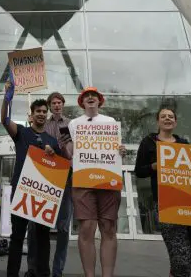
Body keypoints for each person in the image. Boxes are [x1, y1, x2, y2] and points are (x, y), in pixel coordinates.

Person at [134, 107, 191, 277]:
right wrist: (154, 166)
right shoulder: (148, 142)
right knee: (181, 261)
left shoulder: (184, 144)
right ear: (158, 122)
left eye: (171, 116)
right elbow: (139, 170)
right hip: (167, 205)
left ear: (175, 122)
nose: (167, 118)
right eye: (163, 116)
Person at [1, 81, 62, 277]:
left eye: (45, 111)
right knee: (17, 236)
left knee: (43, 238)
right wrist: (7, 98)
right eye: (38, 111)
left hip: (43, 196)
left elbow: (60, 168)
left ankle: (43, 273)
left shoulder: (53, 141)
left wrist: (55, 153)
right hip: (21, 191)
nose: (42, 114)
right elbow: (4, 120)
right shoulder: (21, 132)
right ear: (32, 114)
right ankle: (12, 273)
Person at [65, 87, 126, 277]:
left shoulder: (111, 122)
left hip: (107, 178)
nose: (90, 98)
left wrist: (121, 150)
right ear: (82, 103)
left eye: (94, 96)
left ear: (99, 101)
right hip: (83, 179)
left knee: (108, 227)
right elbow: (70, 151)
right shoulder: (74, 124)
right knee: (87, 227)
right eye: (86, 96)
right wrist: (70, 149)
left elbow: (115, 149)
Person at [26, 92, 72, 277]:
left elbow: (72, 152)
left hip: (65, 177)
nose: (57, 105)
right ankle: (32, 268)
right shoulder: (42, 122)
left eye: (59, 102)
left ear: (63, 104)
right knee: (34, 224)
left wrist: (62, 148)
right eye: (53, 103)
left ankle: (57, 271)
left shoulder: (71, 124)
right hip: (43, 177)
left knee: (63, 228)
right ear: (49, 106)